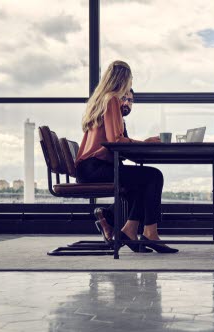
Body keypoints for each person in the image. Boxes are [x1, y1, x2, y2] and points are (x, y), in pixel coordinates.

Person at [75, 60, 178, 254]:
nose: (130, 85)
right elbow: (116, 140)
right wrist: (146, 143)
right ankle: (150, 234)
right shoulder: (112, 99)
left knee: (143, 181)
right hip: (96, 168)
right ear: (124, 79)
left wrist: (140, 142)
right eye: (130, 80)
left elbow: (116, 140)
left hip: (87, 168)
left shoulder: (100, 101)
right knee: (154, 176)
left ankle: (130, 230)